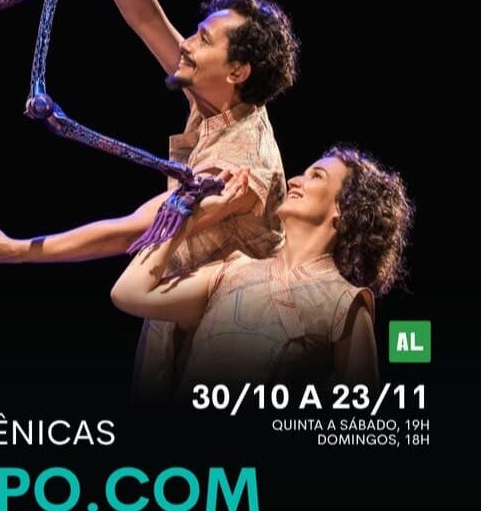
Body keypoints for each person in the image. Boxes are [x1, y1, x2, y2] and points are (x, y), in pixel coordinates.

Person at [0, 0, 300, 400]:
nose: (186, 44)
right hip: (184, 320)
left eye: (203, 40)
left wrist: (14, 250)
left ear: (237, 71)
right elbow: (145, 18)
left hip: (228, 349)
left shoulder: (241, 162)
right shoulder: (218, 98)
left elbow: (137, 229)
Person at [111, 146, 414, 397]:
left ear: (344, 209)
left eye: (316, 176)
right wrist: (185, 213)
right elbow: (129, 293)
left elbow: (359, 420)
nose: (294, 181)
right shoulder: (233, 271)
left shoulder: (344, 304)